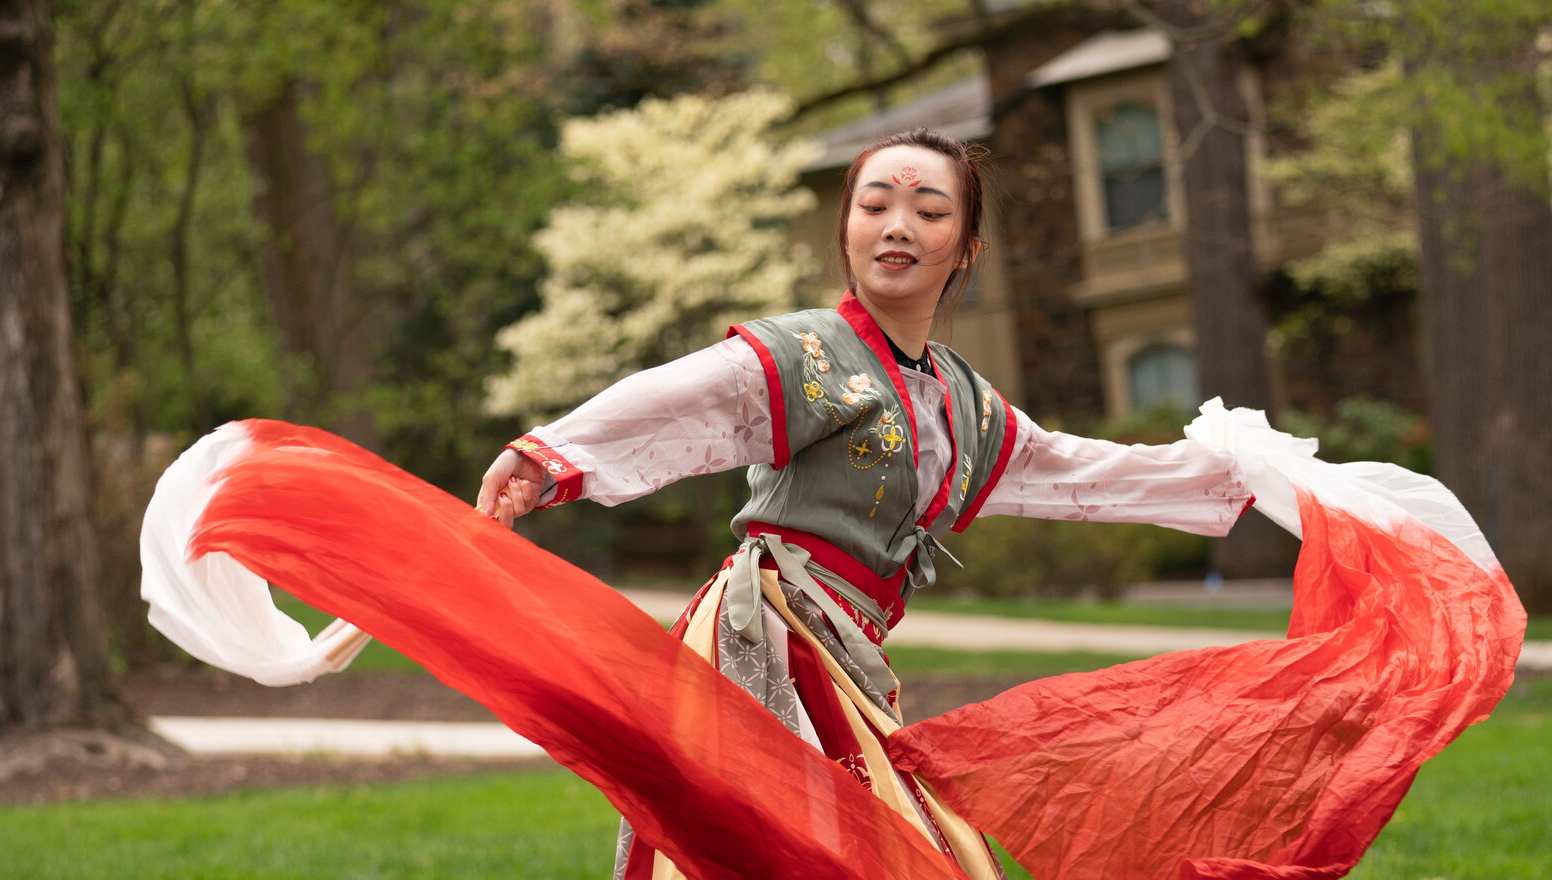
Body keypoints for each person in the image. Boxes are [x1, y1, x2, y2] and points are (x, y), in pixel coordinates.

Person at [474, 128, 1252, 880]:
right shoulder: (807, 352)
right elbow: (680, 397)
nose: (897, 228)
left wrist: (1236, 477)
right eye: (874, 206)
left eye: (930, 212)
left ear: (967, 251)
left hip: (848, 652)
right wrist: (551, 454)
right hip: (767, 643)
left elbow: (1077, 468)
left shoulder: (963, 400)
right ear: (845, 230)